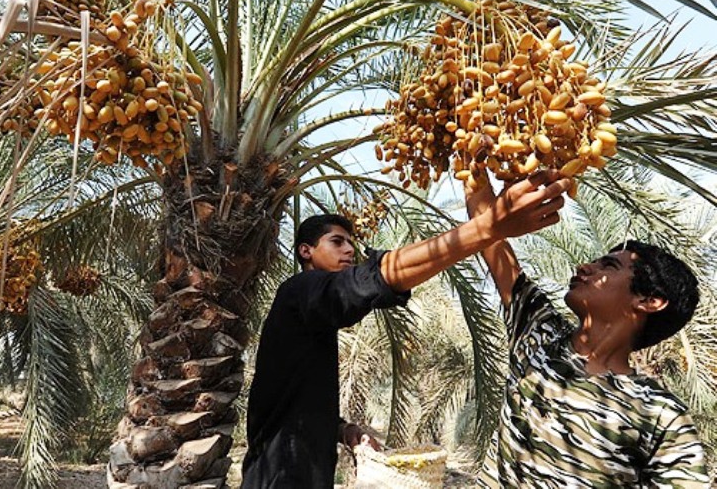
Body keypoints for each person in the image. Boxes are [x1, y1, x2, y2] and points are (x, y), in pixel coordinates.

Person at [240, 169, 573, 488]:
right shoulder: (300, 289)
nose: (349, 250)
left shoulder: (310, 317)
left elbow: (291, 403)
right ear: (306, 251)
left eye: (351, 244)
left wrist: (341, 429)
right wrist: (487, 228)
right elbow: (371, 281)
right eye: (337, 242)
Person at [464, 171, 710, 488]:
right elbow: (490, 232)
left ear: (649, 300)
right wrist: (469, 137)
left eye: (609, 266)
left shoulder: (661, 416)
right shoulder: (539, 333)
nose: (584, 267)